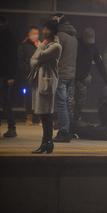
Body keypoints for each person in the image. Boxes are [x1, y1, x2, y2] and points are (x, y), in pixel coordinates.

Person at [30, 20, 62, 153]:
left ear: (53, 31)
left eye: (47, 29)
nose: (44, 31)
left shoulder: (55, 46)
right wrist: (37, 56)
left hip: (47, 82)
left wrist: (41, 46)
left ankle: (47, 142)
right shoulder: (48, 45)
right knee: (44, 114)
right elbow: (32, 61)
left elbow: (39, 56)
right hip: (42, 81)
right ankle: (46, 143)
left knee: (46, 114)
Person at [73, 27, 107, 124]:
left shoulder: (93, 48)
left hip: (82, 78)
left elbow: (100, 65)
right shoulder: (76, 44)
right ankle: (69, 121)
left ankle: (76, 119)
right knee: (71, 101)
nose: (89, 43)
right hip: (72, 77)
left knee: (80, 101)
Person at [51, 14, 78, 142]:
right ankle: (70, 129)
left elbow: (55, 55)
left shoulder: (60, 36)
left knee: (61, 104)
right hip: (71, 74)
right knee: (67, 103)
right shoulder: (74, 37)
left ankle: (64, 131)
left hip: (61, 73)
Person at [17, 26, 41, 125]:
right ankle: (29, 117)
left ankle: (39, 118)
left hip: (39, 76)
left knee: (39, 97)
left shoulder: (41, 45)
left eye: (37, 33)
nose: (35, 35)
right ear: (29, 34)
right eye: (33, 33)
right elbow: (20, 61)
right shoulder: (23, 46)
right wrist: (28, 70)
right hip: (28, 76)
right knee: (28, 96)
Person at [0, 16, 18, 138]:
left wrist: (11, 76)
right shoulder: (9, 36)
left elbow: (12, 58)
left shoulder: (8, 37)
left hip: (4, 74)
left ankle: (12, 127)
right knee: (6, 102)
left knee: (5, 101)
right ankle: (11, 128)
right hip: (5, 74)